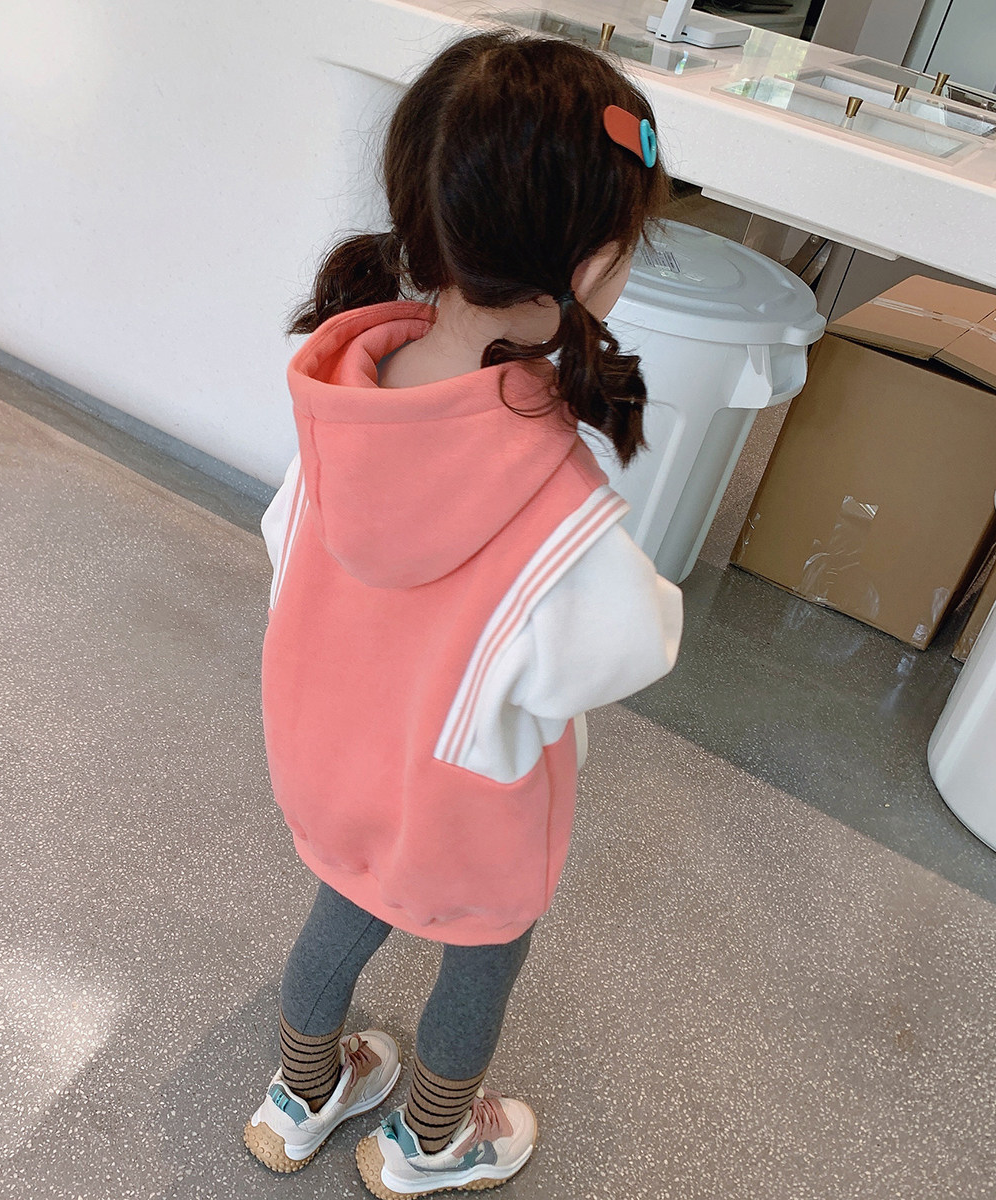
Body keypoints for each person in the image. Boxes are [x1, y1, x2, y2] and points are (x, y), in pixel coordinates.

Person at [244, 28, 683, 1198]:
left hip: (337, 759)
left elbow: (289, 550)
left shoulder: (346, 398)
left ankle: (299, 1096)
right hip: (462, 803)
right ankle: (431, 1142)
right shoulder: (553, 496)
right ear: (596, 267)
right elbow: (622, 646)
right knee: (481, 959)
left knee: (342, 913)